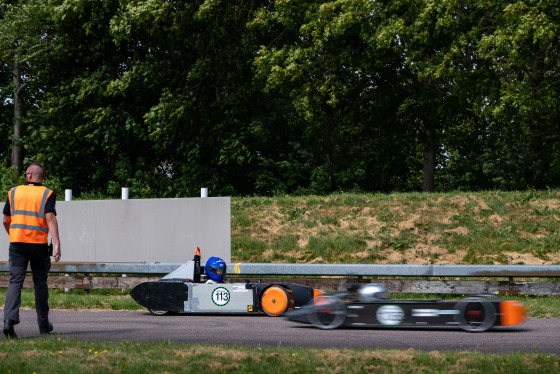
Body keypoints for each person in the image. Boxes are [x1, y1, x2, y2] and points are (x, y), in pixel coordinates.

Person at [2, 163, 61, 338]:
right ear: (41, 177)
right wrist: (57, 243)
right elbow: (50, 218)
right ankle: (43, 326)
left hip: (17, 244)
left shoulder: (13, 192)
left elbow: (6, 220)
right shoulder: (48, 194)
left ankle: (8, 321)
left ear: (29, 175)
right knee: (40, 284)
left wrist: (13, 234)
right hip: (39, 246)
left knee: (15, 282)